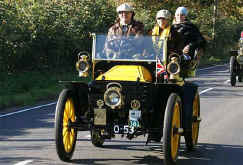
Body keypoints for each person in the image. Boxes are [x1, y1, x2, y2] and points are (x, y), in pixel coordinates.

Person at [172, 6, 206, 76]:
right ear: (175, 16)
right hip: (170, 53)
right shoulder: (170, 27)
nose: (179, 17)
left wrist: (189, 46)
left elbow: (200, 41)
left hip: (184, 54)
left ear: (185, 16)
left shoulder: (191, 27)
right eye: (178, 15)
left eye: (182, 15)